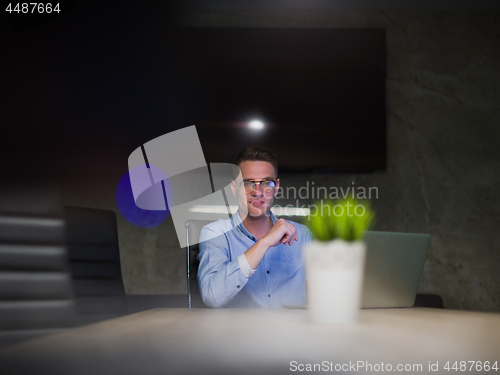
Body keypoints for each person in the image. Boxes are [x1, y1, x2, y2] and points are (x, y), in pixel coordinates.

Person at [197, 146, 311, 308]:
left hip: (293, 332)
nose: (257, 192)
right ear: (234, 188)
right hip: (240, 332)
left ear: (276, 187)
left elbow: (329, 290)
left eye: (266, 183)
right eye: (248, 183)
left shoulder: (302, 234)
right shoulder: (215, 233)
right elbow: (212, 297)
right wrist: (264, 242)